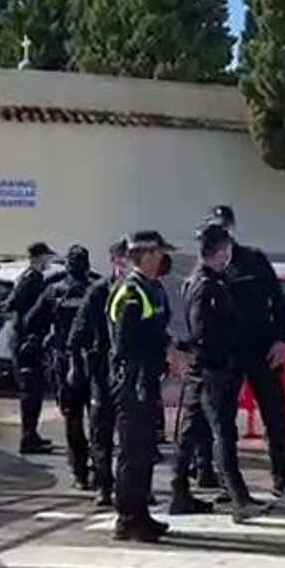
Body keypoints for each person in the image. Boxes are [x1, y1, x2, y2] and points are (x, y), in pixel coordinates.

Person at [206, 204, 285, 502]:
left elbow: (278, 302)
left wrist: (280, 340)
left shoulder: (253, 259)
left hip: (262, 349)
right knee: (223, 420)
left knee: (275, 415)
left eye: (226, 224)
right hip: (228, 353)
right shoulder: (210, 266)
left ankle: (284, 480)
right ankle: (227, 483)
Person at [172, 223, 269, 522]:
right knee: (222, 433)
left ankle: (180, 491)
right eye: (226, 248)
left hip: (204, 369)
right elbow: (204, 333)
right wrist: (225, 357)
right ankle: (238, 499)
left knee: (191, 432)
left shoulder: (203, 281)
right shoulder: (207, 286)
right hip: (213, 370)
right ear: (220, 250)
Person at [108, 230, 178, 542]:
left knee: (145, 450)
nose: (163, 258)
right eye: (159, 252)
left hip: (147, 379)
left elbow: (157, 329)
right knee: (132, 452)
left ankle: (141, 513)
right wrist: (163, 352)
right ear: (147, 255)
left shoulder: (153, 288)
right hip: (132, 380)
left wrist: (172, 347)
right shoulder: (130, 291)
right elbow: (126, 343)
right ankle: (127, 518)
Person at [29, 244, 96, 490]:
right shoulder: (97, 290)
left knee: (74, 417)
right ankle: (96, 471)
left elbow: (32, 321)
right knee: (96, 419)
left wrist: (39, 342)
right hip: (91, 361)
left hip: (67, 360)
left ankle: (80, 472)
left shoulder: (54, 290)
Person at [71, 238, 127, 507]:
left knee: (134, 435)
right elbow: (77, 334)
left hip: (132, 371)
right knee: (101, 432)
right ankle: (104, 485)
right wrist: (82, 366)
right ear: (115, 261)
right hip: (104, 372)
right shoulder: (99, 291)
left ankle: (132, 487)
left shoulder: (144, 289)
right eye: (124, 258)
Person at [9, 241, 58, 455]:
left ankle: (32, 434)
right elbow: (18, 306)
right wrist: (30, 336)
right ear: (38, 258)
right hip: (27, 343)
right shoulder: (32, 279)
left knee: (34, 391)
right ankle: (28, 437)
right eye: (46, 257)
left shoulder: (29, 277)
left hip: (28, 341)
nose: (48, 261)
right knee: (30, 392)